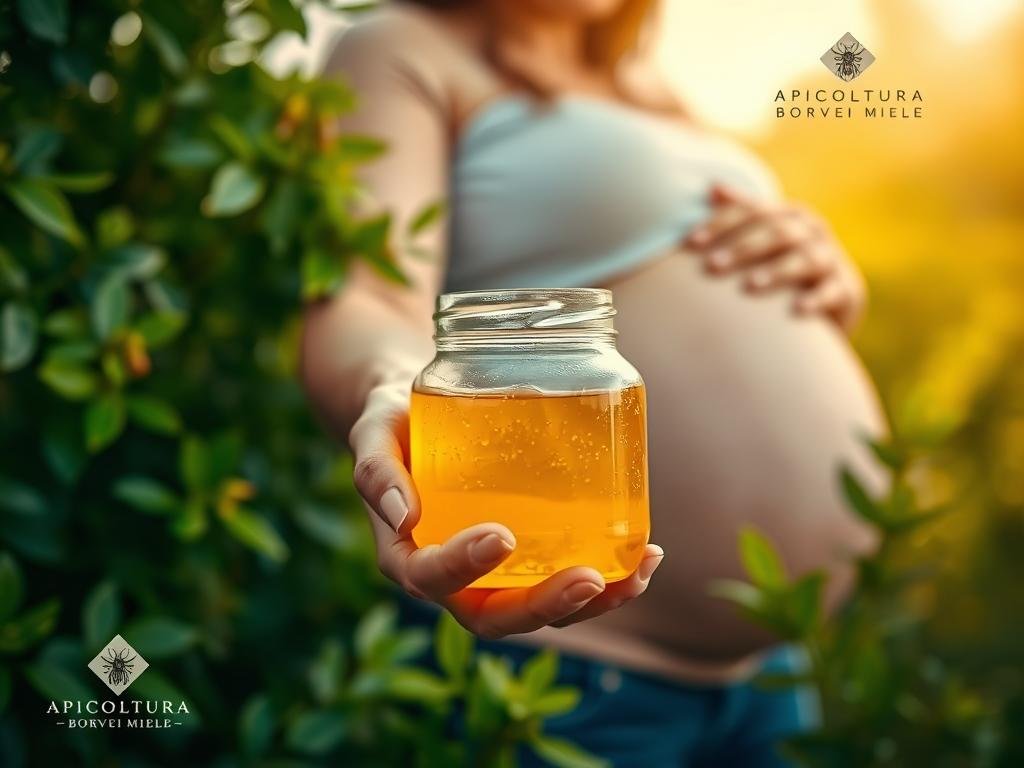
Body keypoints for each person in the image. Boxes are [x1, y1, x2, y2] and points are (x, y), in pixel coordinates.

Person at [302, 1, 887, 764]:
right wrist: (389, 389)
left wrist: (826, 284)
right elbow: (364, 295)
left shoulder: (651, 86)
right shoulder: (403, 46)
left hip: (772, 673)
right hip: (568, 667)